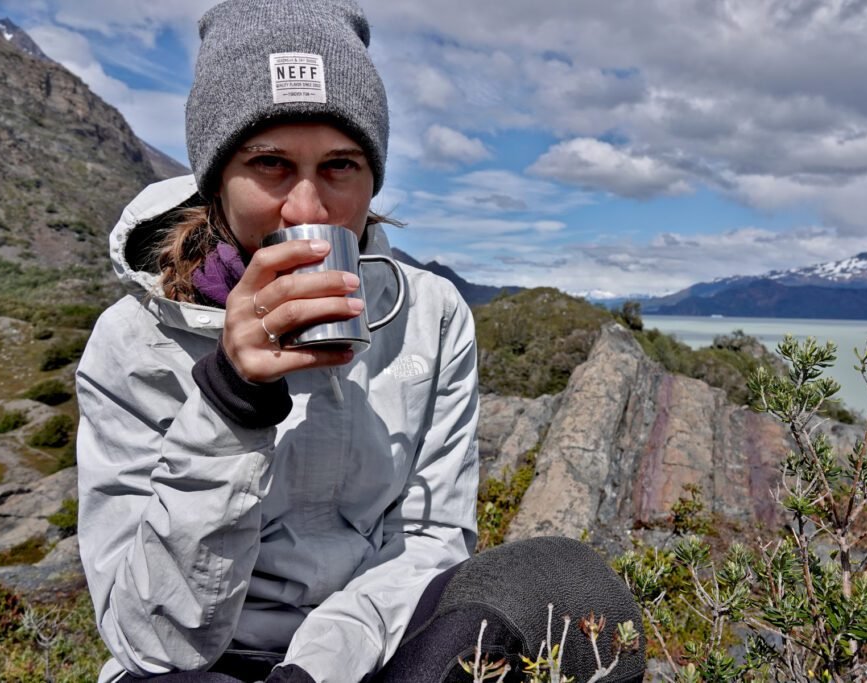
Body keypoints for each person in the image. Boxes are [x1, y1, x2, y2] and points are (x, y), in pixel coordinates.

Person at [75, 1, 645, 682]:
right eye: (270, 164)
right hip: (197, 660)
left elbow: (432, 542)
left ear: (373, 176)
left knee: (575, 593)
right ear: (216, 179)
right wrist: (230, 400)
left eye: (340, 165)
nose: (308, 210)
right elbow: (152, 636)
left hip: (372, 645)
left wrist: (316, 668)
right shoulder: (132, 341)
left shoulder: (431, 315)